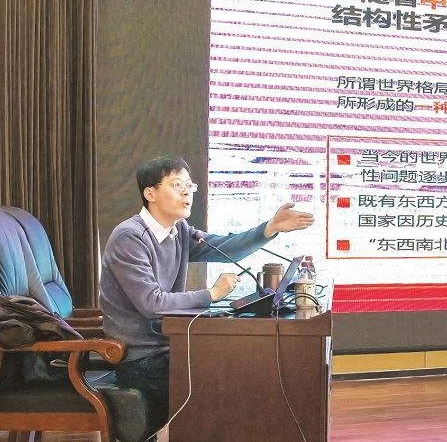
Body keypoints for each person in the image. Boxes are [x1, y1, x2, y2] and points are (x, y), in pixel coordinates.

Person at [98, 155, 314, 429]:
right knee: (224, 383)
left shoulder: (178, 230)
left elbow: (224, 247)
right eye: (177, 185)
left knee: (239, 368)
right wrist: (211, 294)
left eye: (190, 185)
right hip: (141, 357)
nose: (187, 192)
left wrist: (269, 228)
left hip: (169, 347)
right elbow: (152, 303)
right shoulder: (130, 238)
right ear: (150, 193)